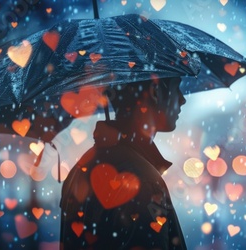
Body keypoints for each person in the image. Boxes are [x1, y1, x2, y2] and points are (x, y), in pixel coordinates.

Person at [60, 77, 187, 249]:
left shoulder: (84, 165)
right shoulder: (141, 178)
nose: (182, 99)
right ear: (155, 92)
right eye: (176, 87)